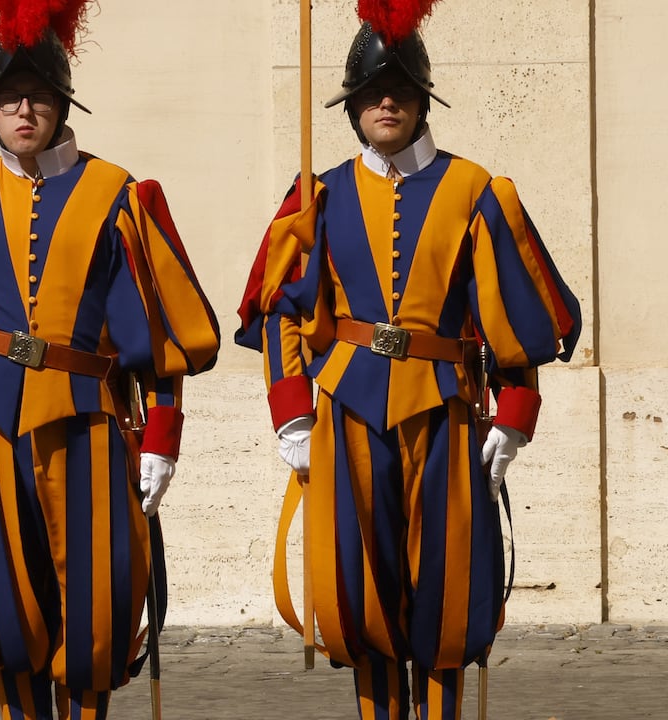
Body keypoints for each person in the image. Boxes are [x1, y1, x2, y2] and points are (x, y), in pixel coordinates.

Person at [0, 7, 220, 718]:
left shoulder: (118, 197)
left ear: (62, 105)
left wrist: (162, 438)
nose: (24, 109)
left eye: (39, 95)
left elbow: (160, 332)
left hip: (88, 422)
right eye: (9, 97)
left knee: (97, 608)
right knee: (1, 609)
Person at [236, 20, 580, 720]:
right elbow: (281, 311)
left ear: (422, 100)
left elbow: (512, 318)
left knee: (450, 586)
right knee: (362, 588)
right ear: (353, 105)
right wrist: (292, 413)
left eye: (398, 90)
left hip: (446, 409)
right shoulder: (319, 197)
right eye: (370, 92)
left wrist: (512, 420)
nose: (384, 103)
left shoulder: (475, 190)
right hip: (347, 408)